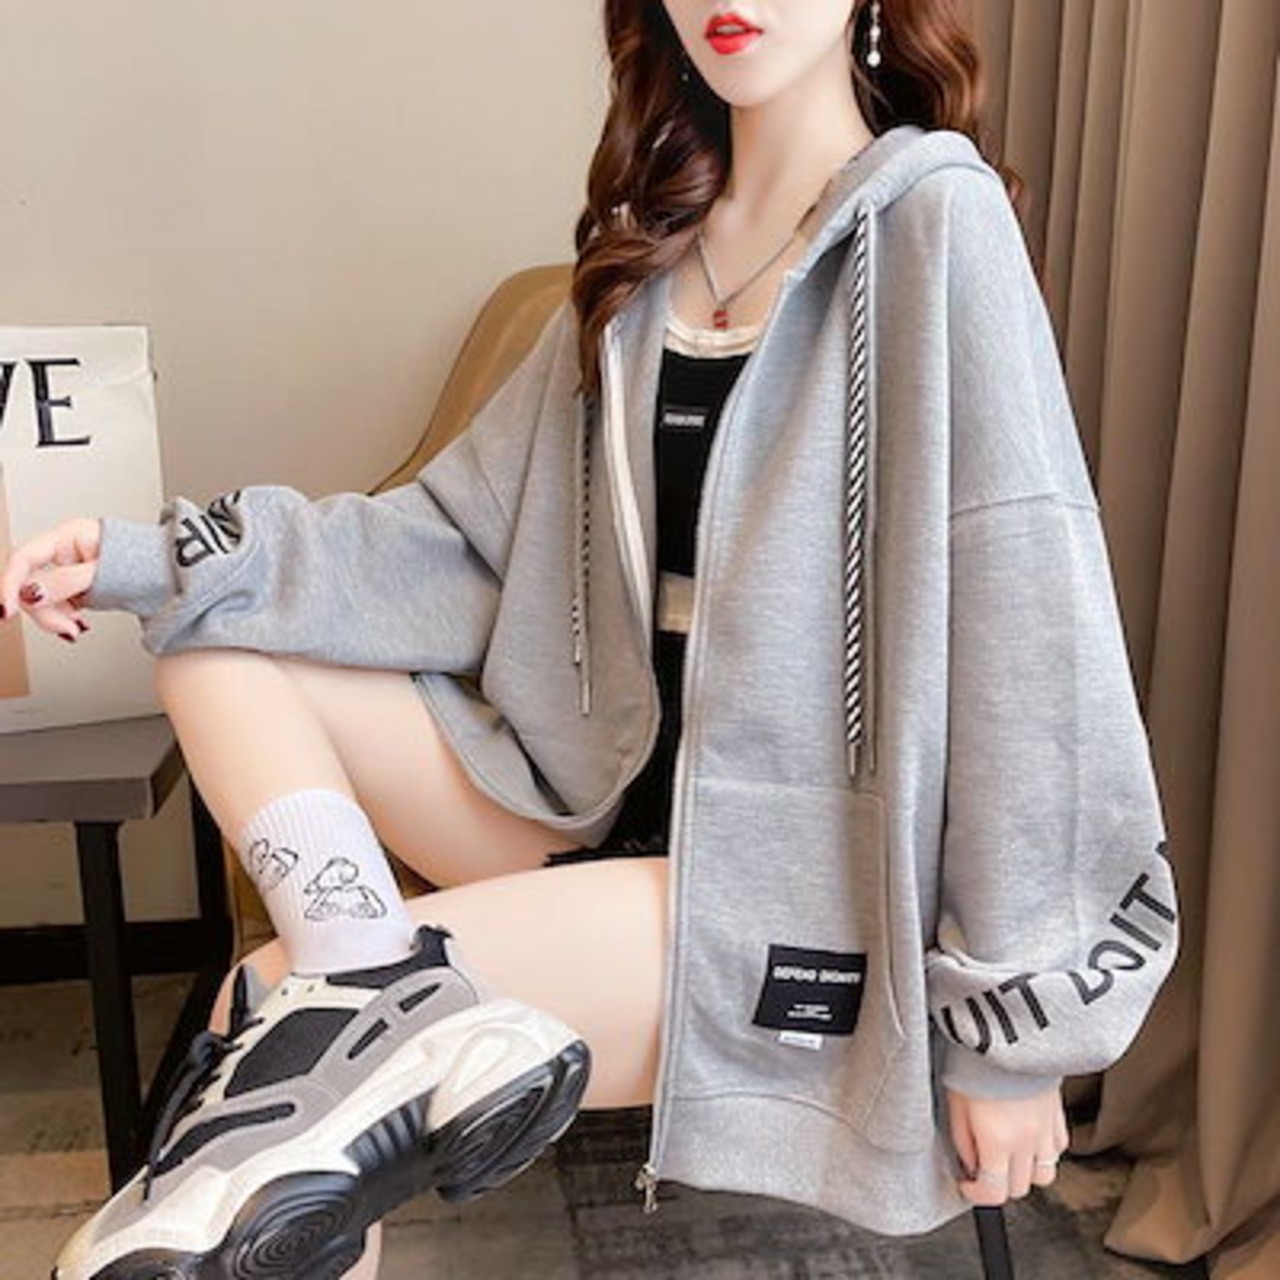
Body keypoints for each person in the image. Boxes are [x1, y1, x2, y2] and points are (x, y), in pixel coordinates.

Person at [3, 1, 1183, 1277]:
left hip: (788, 880)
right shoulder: (647, 262)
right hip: (586, 791)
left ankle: (354, 1003)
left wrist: (1019, 1031)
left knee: (276, 1009)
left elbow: (1029, 641)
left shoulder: (937, 223)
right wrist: (143, 558)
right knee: (210, 635)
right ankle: (369, 979)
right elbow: (448, 541)